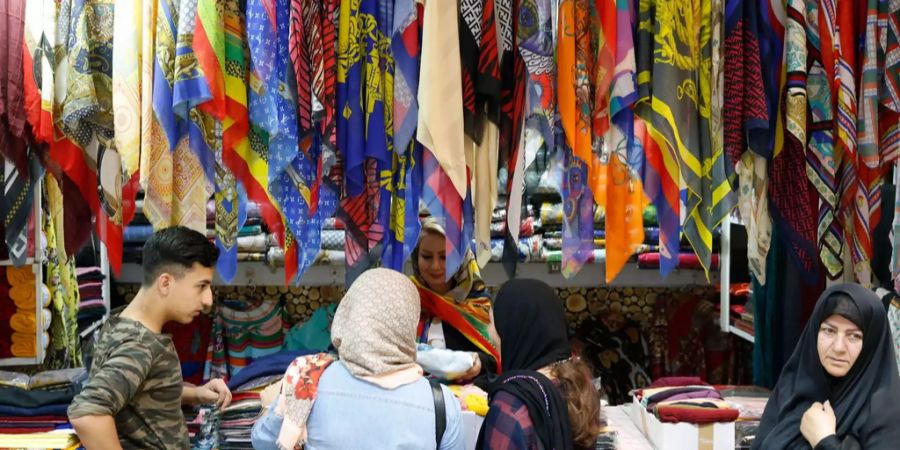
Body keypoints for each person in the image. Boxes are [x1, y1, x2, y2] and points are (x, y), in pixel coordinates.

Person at [251, 268, 465, 450]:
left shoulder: (308, 380)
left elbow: (263, 442)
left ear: (348, 314)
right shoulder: (441, 404)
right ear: (408, 323)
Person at [68, 226, 233, 449]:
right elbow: (87, 412)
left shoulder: (124, 322)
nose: (208, 300)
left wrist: (196, 393)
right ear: (165, 283)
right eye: (201, 286)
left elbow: (140, 391)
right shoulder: (139, 344)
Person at [752, 284, 900, 450]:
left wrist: (824, 440)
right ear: (814, 331)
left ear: (871, 344)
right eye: (829, 331)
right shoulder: (793, 388)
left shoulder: (886, 413)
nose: (838, 348)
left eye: (854, 336)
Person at [477, 279, 601, 450]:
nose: (490, 333)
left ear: (514, 329)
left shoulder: (512, 404)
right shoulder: (581, 384)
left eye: (492, 322)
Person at [411, 218, 500, 381]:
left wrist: (479, 363)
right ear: (416, 256)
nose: (435, 266)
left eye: (444, 257)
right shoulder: (406, 296)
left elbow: (495, 359)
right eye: (426, 256)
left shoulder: (477, 304)